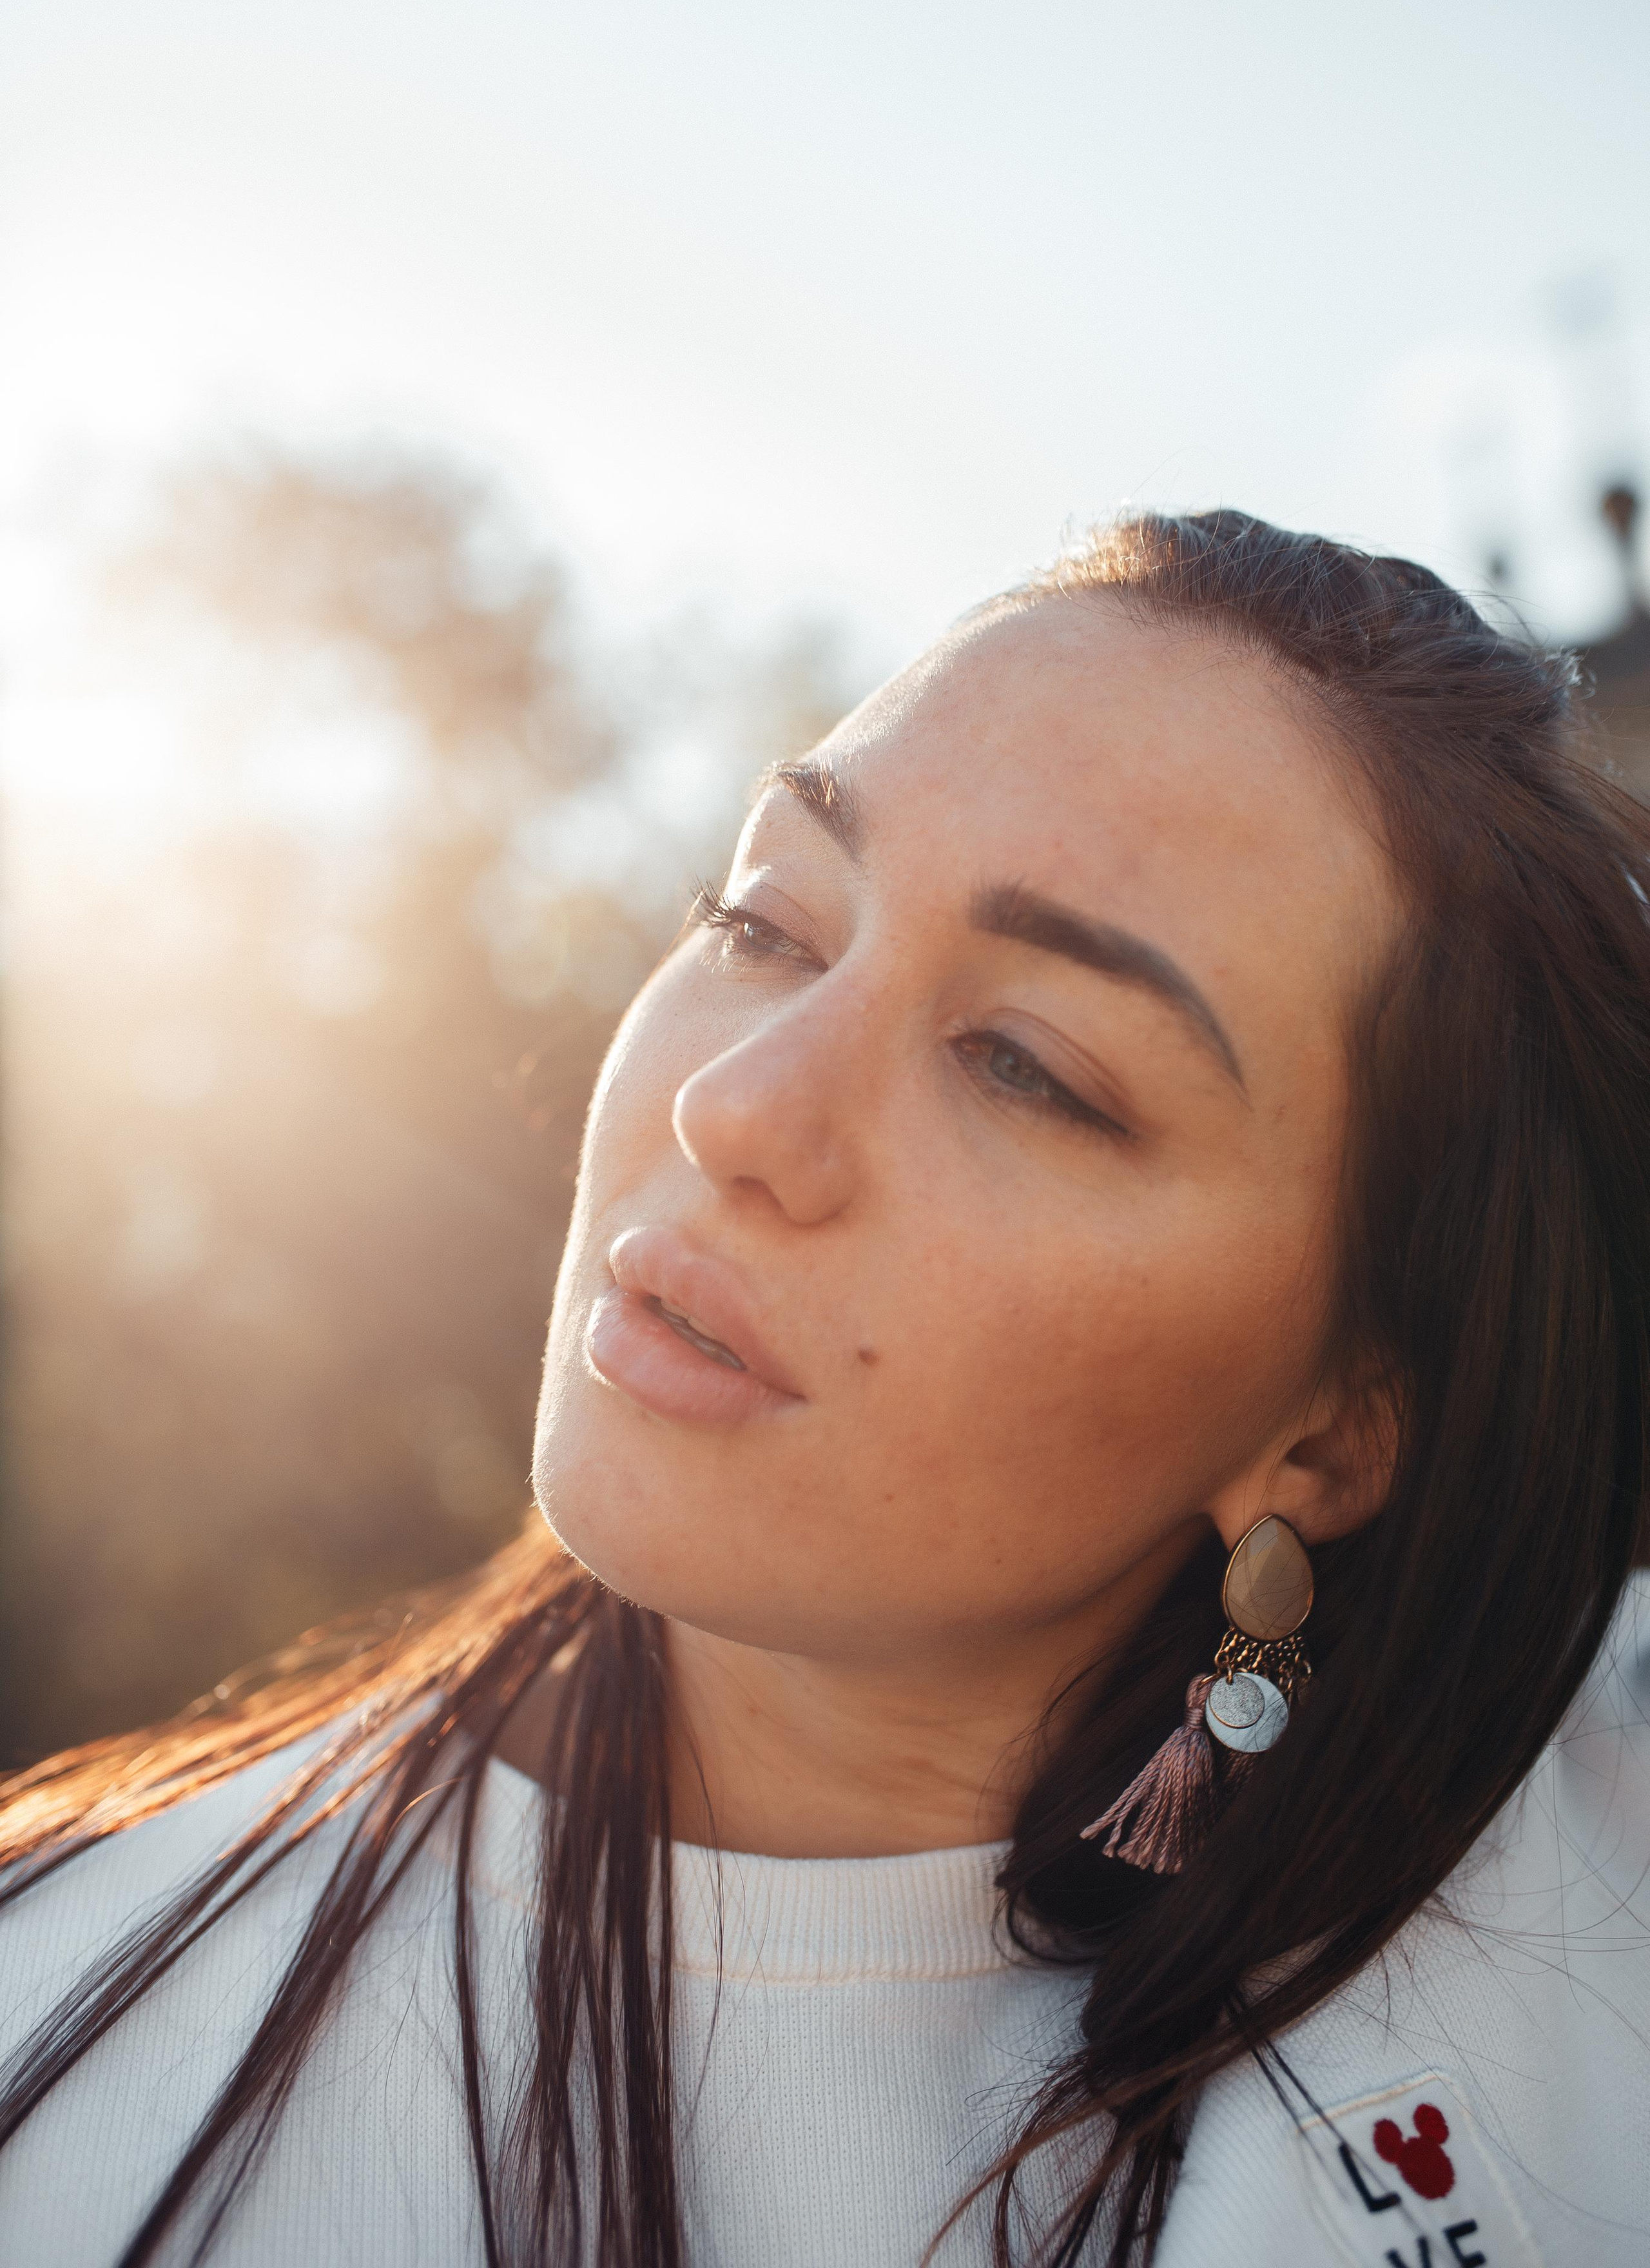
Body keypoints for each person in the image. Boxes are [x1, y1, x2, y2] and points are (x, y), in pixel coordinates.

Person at [0, 509, 1645, 2268]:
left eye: (1026, 1066)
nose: (738, 1112)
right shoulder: (68, 2014)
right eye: (770, 922)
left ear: (1329, 1431)